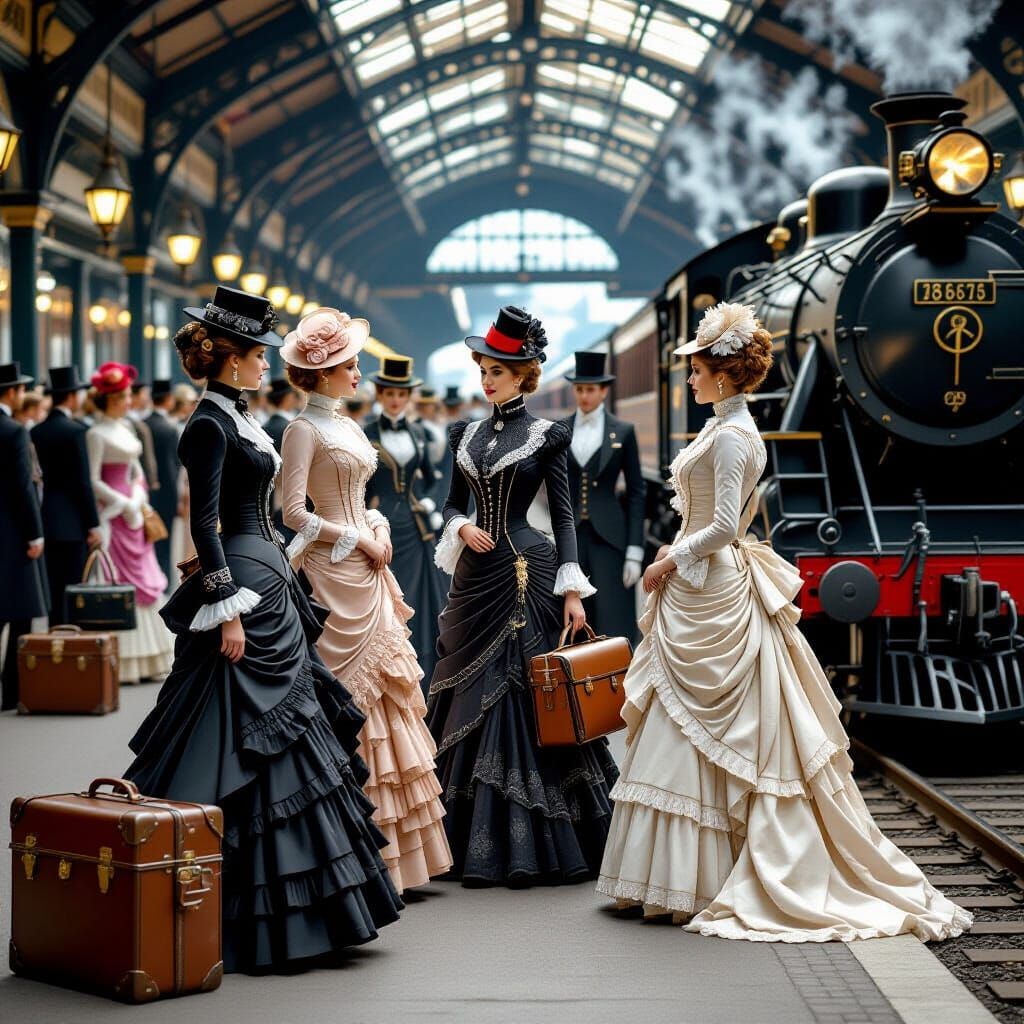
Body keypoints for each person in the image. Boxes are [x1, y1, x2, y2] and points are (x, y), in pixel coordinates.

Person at [596, 302, 971, 942]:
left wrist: (671, 557)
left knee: (715, 731)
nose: (688, 375)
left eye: (696, 366)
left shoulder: (737, 437)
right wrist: (675, 556)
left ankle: (708, 877)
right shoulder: (723, 427)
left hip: (713, 588)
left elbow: (720, 528)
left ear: (721, 371)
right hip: (698, 591)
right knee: (682, 729)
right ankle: (681, 879)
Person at [125, 287, 402, 973]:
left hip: (272, 577)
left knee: (292, 727)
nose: (263, 366)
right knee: (236, 734)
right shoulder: (206, 426)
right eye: (256, 355)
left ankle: (304, 911)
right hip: (246, 589)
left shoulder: (237, 417)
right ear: (231, 358)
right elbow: (204, 521)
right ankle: (231, 904)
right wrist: (224, 604)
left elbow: (267, 512)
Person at [429, 305, 617, 887]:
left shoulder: (546, 435)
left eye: (499, 372)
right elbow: (451, 501)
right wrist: (459, 526)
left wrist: (572, 589)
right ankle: (460, 842)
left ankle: (537, 846)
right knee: (462, 693)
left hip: (523, 573)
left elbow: (563, 518)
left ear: (524, 375)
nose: (487, 380)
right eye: (484, 368)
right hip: (474, 579)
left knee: (523, 690)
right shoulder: (464, 433)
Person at [280, 307, 453, 893]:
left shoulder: (351, 427)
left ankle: (402, 854)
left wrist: (376, 527)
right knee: (349, 698)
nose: (358, 372)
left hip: (370, 567)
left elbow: (363, 495)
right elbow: (294, 513)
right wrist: (357, 537)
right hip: (335, 573)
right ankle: (354, 850)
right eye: (350, 365)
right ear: (324, 373)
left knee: (389, 699)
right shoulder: (302, 429)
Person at [86, 363, 174, 683]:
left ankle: (150, 660)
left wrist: (137, 498)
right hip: (114, 515)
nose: (129, 400)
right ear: (109, 399)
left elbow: (137, 472)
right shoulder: (95, 434)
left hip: (135, 512)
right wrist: (122, 503)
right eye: (123, 396)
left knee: (145, 578)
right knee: (119, 580)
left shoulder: (126, 428)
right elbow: (93, 479)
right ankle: (122, 661)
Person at [364, 356, 447, 685]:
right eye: (389, 393)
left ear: (409, 397)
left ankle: (420, 675)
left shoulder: (417, 432)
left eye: (401, 394)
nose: (396, 400)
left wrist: (430, 500)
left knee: (418, 601)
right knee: (383, 600)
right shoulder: (364, 433)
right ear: (380, 394)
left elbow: (433, 478)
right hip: (379, 527)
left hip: (415, 529)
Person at [561, 352, 645, 643]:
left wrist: (635, 550)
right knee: (574, 620)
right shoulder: (560, 431)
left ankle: (619, 683)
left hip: (611, 539)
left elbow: (636, 492)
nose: (584, 396)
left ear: (604, 391)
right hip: (570, 537)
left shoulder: (624, 431)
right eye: (579, 389)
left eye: (590, 389)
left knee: (613, 617)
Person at [32, 366, 102, 625]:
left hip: (46, 518)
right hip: (73, 523)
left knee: (53, 591)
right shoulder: (76, 431)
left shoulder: (36, 431)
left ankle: (54, 643)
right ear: (72, 396)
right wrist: (93, 523)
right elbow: (82, 483)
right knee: (74, 591)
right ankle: (72, 646)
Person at [0, 362, 49, 711]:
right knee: (19, 615)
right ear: (13, 392)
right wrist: (34, 534)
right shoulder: (13, 431)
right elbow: (23, 488)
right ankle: (13, 692)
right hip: (11, 533)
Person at [144, 379, 181, 580]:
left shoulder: (143, 425)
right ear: (167, 400)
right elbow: (174, 466)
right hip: (166, 492)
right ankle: (163, 578)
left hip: (146, 491)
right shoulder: (169, 428)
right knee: (165, 540)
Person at [263, 377, 299, 546]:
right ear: (289, 397)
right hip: (291, 501)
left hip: (266, 502)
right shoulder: (292, 428)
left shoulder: (262, 428)